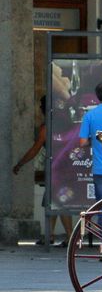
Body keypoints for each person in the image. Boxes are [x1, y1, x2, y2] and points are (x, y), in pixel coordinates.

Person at [14, 96, 73, 247]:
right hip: (68, 168)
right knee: (53, 202)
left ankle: (71, 237)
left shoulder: (46, 127)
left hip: (56, 170)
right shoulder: (68, 124)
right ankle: (52, 235)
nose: (39, 109)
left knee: (57, 203)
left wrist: (20, 164)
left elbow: (35, 149)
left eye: (41, 107)